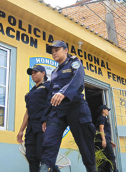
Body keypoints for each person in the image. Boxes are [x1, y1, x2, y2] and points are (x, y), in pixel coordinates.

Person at [39, 41, 97, 172]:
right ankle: (44, 168)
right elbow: (50, 96)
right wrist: (45, 118)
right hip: (58, 111)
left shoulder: (74, 63)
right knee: (48, 141)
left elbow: (78, 79)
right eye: (52, 51)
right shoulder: (54, 72)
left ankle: (91, 169)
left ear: (65, 50)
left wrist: (63, 93)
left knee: (85, 145)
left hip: (76, 107)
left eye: (56, 49)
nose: (54, 53)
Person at [17, 65, 59, 172]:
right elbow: (27, 113)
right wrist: (21, 130)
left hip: (44, 126)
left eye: (35, 72)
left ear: (43, 73)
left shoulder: (48, 86)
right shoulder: (30, 93)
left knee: (42, 156)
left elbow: (55, 105)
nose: (33, 74)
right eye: (32, 73)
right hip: (31, 128)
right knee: (31, 158)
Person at [95, 105, 119, 172]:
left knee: (104, 158)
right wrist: (104, 140)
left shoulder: (103, 118)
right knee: (111, 157)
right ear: (103, 110)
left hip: (105, 140)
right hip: (103, 140)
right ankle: (115, 171)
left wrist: (110, 141)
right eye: (107, 110)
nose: (107, 111)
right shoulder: (102, 118)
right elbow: (101, 129)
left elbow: (105, 131)